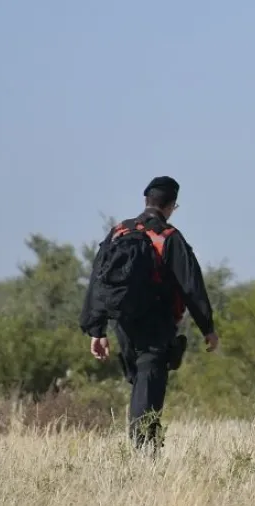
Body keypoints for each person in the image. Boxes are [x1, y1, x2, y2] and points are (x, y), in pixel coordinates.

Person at [79, 176, 219, 455]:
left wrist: (97, 330)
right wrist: (208, 328)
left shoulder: (118, 232)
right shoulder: (168, 237)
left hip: (124, 325)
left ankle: (144, 448)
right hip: (156, 324)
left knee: (142, 382)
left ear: (146, 201)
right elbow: (192, 287)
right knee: (148, 382)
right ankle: (143, 451)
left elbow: (98, 281)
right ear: (170, 206)